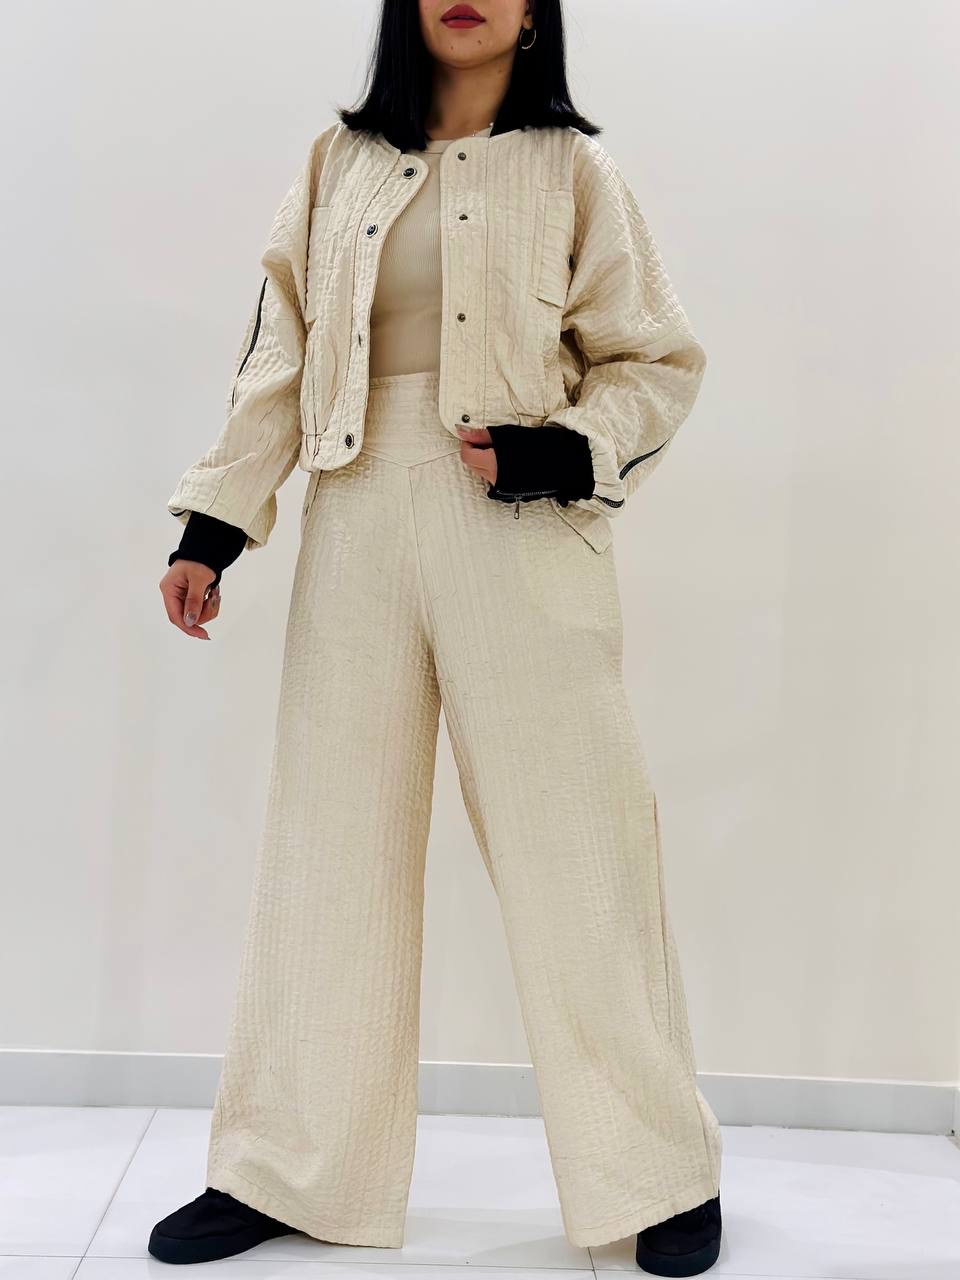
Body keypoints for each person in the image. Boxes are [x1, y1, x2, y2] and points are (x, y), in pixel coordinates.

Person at [152, 2, 723, 1274]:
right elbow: (280, 354)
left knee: (579, 849)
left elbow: (654, 360)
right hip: (355, 512)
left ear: (535, 11)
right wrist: (214, 524)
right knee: (328, 844)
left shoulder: (574, 169)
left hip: (519, 525)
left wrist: (560, 449)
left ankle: (659, 1171)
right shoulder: (338, 162)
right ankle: (289, 1167)